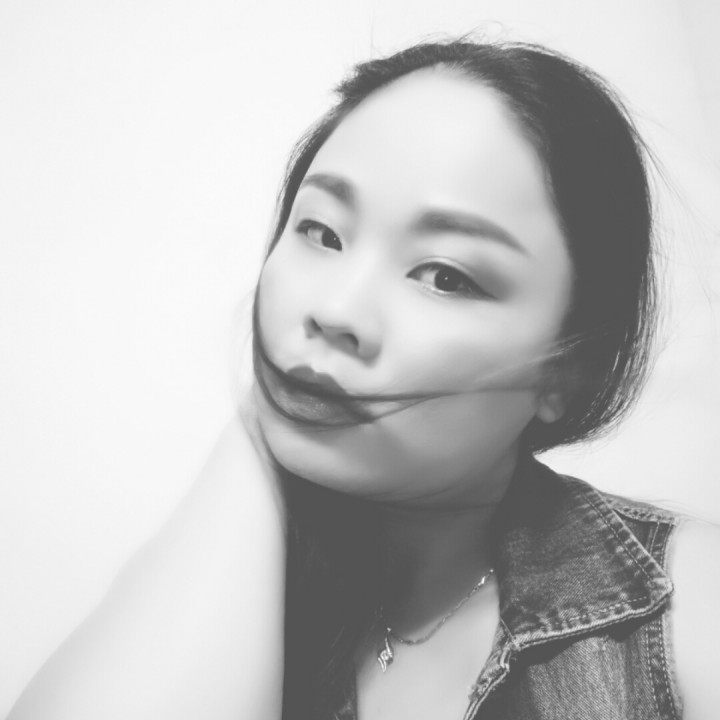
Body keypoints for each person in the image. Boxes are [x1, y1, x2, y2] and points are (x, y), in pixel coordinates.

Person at [8, 38, 720, 720]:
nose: (334, 310)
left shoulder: (688, 615)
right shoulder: (214, 574)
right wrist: (260, 431)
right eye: (321, 232)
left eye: (444, 276)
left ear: (566, 368)